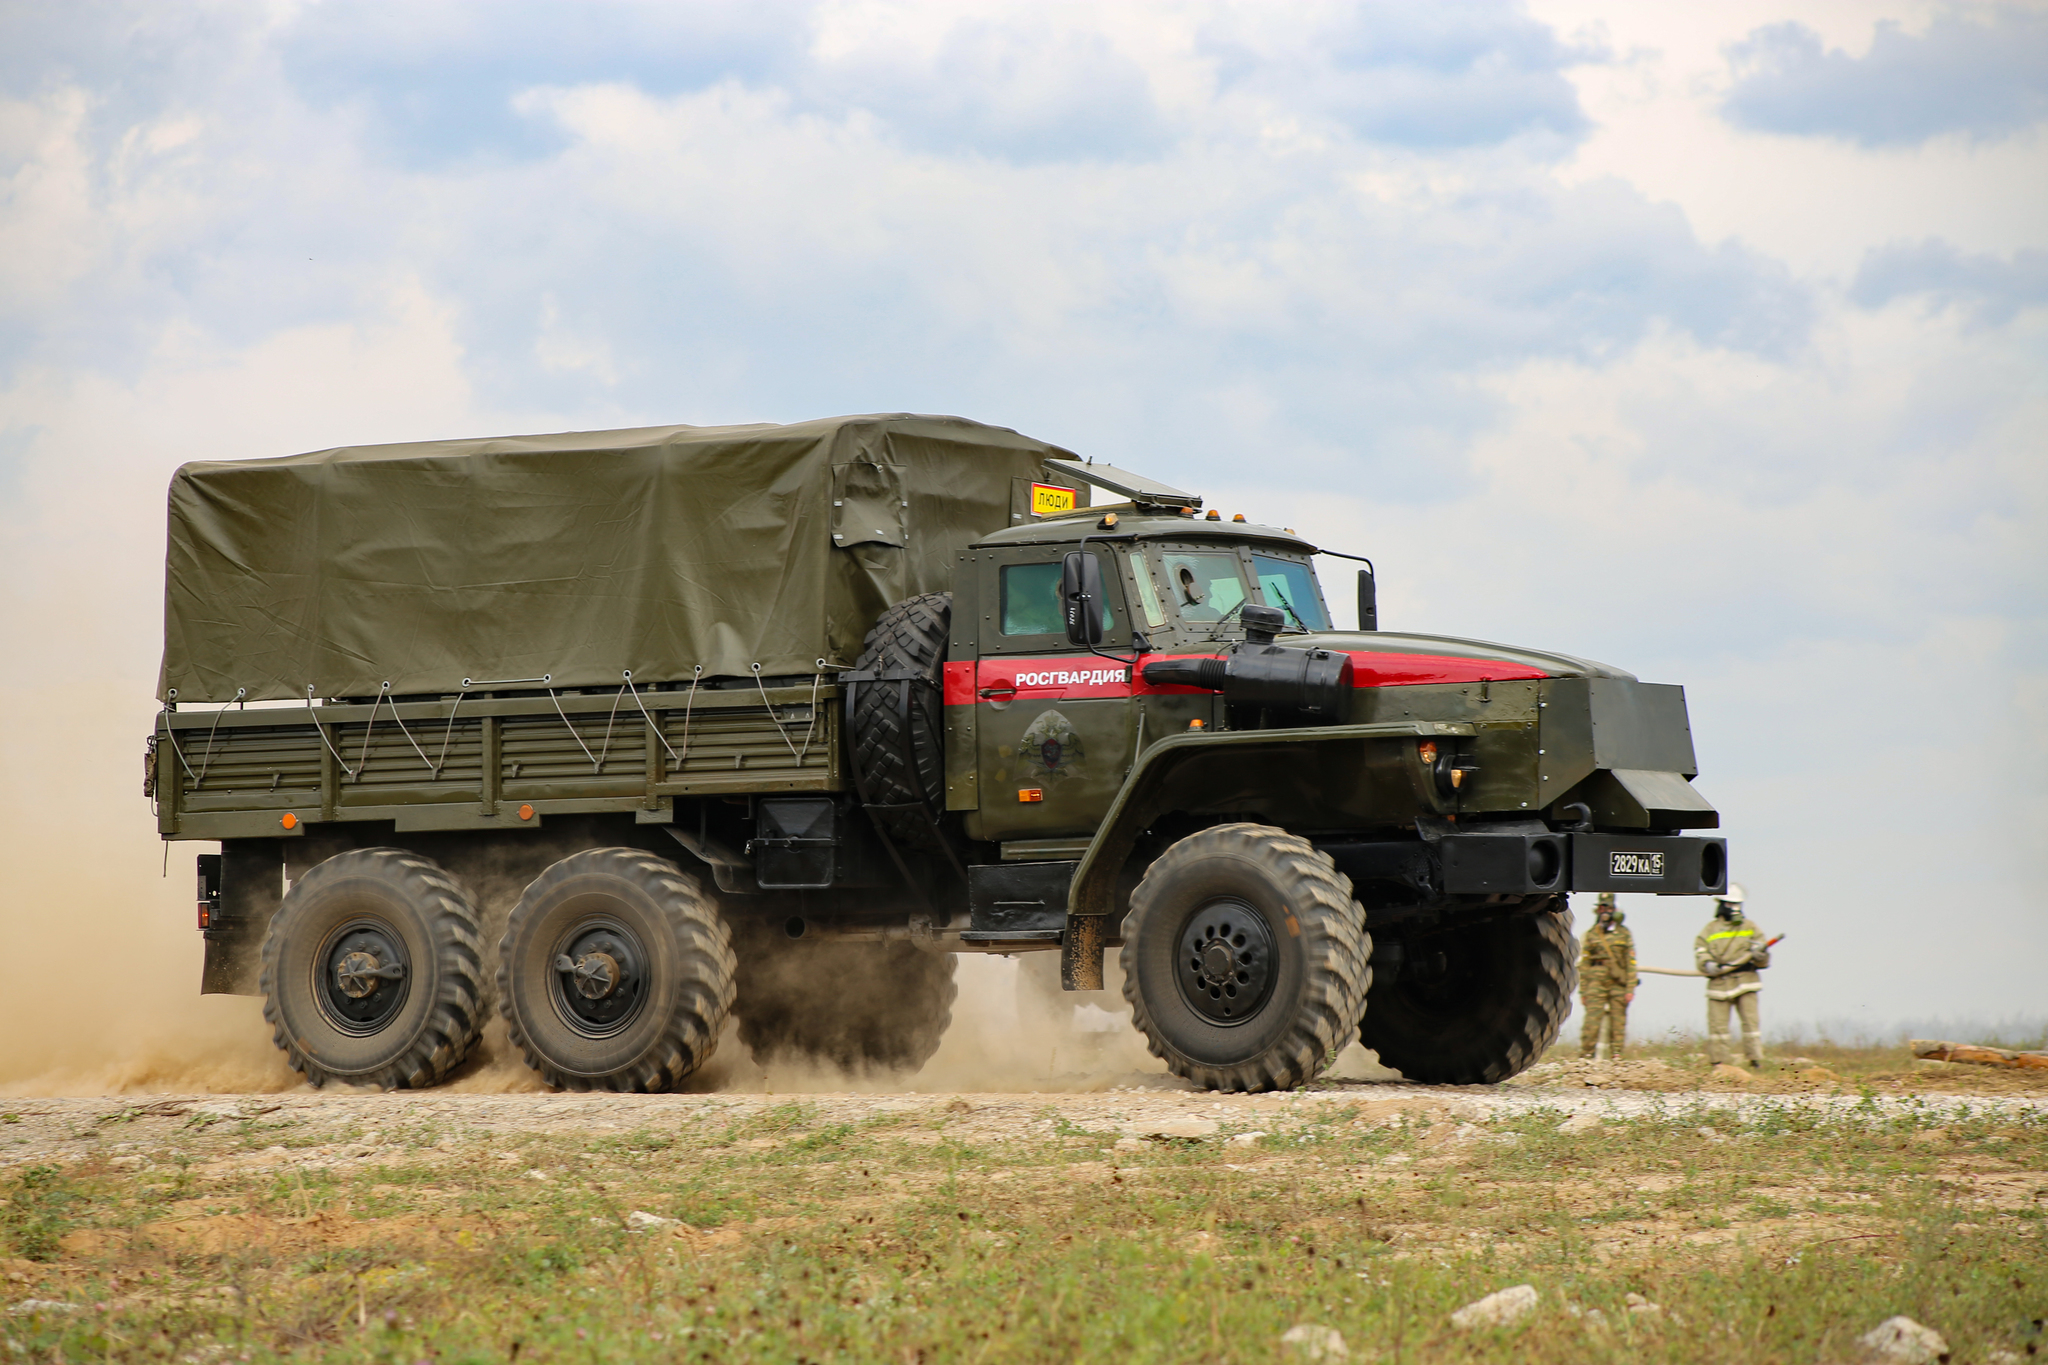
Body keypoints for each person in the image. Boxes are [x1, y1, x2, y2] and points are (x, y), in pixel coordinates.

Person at [1694, 883, 1770, 1068]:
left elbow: (1763, 957)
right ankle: (1719, 1063)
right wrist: (1708, 964)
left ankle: (1755, 1061)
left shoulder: (1751, 927)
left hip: (1746, 981)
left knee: (1751, 1024)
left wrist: (1761, 955)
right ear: (1721, 904)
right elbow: (1700, 949)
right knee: (1718, 1027)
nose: (1733, 909)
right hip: (1719, 984)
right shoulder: (1710, 929)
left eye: (1737, 905)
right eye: (1729, 905)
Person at [1577, 893, 1637, 1060]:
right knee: (1591, 1022)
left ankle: (1617, 1056)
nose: (1604, 912)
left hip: (1618, 982)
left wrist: (1630, 988)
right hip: (1595, 981)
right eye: (1602, 908)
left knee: (1618, 1022)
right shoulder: (1592, 934)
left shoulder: (1624, 934)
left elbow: (1630, 962)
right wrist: (1583, 991)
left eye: (1608, 908)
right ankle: (1585, 1056)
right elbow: (1584, 964)